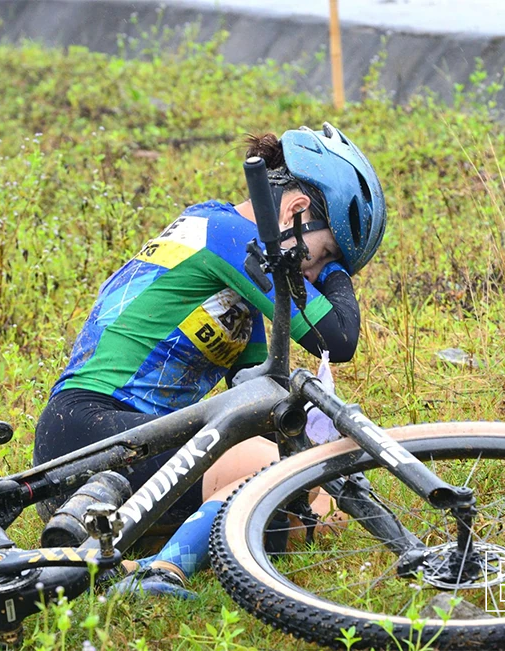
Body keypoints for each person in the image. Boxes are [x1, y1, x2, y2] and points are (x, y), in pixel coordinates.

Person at [32, 123, 385, 598]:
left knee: (317, 513)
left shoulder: (239, 270)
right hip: (89, 431)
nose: (316, 275)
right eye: (323, 256)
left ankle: (125, 554)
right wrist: (340, 276)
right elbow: (338, 338)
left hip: (144, 452)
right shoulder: (227, 235)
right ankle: (159, 572)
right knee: (273, 475)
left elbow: (261, 399)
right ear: (297, 210)